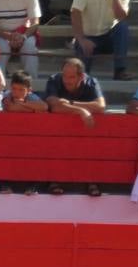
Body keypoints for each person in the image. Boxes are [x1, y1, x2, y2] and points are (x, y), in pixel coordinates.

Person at [45, 57, 104, 194]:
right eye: (64, 76)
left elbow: (100, 106)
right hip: (56, 131)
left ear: (81, 76)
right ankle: (54, 180)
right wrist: (81, 110)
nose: (66, 80)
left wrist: (70, 104)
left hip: (85, 132)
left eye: (71, 77)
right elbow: (54, 106)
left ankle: (91, 180)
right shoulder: (54, 79)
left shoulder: (91, 82)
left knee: (91, 147)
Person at [70, 0, 130, 78]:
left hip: (108, 37)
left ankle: (120, 70)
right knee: (82, 74)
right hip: (87, 36)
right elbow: (75, 11)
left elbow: (121, 16)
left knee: (122, 27)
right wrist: (81, 39)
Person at [0, 69, 48, 194]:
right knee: (4, 156)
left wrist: (23, 104)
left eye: (21, 90)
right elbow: (10, 107)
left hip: (30, 136)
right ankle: (5, 184)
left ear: (29, 90)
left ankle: (32, 185)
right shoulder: (8, 95)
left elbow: (44, 107)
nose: (17, 92)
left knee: (33, 157)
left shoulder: (31, 97)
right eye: (14, 89)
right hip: (9, 136)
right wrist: (31, 108)